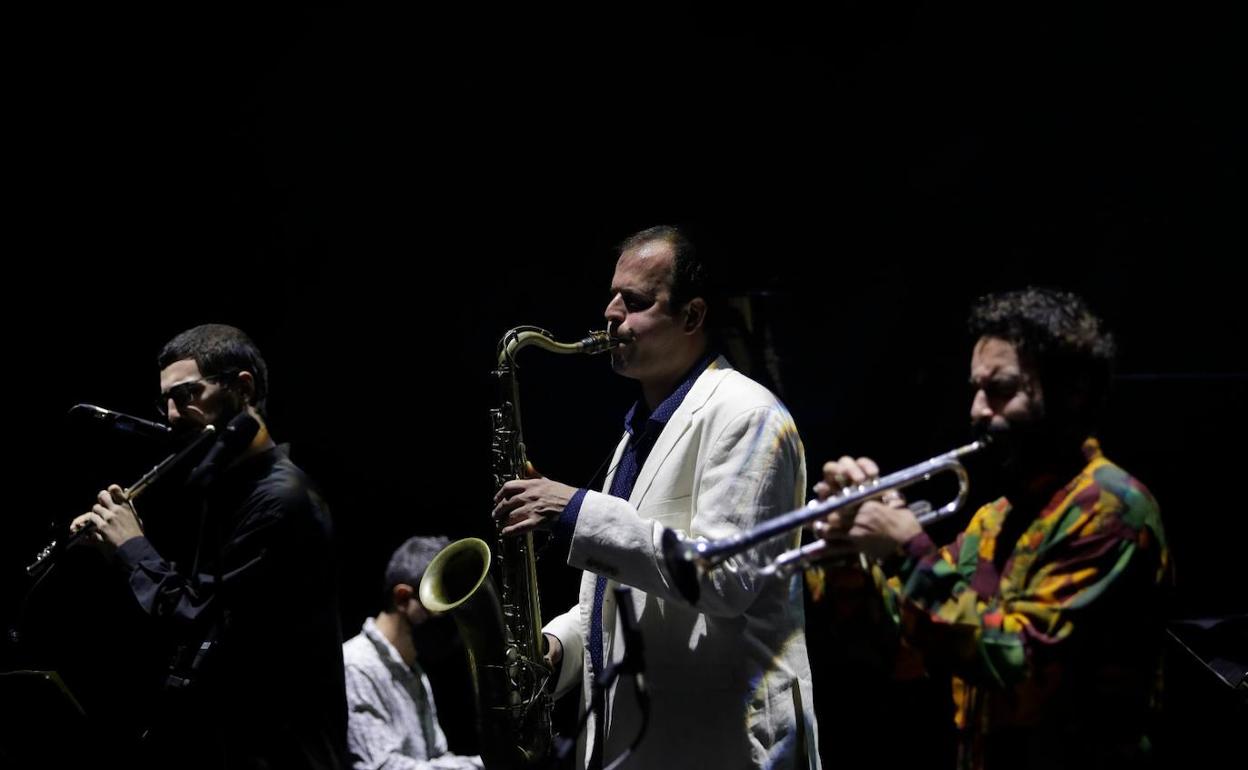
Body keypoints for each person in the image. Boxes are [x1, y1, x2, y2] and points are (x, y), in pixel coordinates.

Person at [493, 226, 820, 769]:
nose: (611, 313)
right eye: (613, 295)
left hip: (725, 747)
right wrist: (555, 651)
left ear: (692, 317)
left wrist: (575, 511)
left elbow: (727, 577)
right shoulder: (638, 434)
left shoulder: (748, 416)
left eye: (637, 302)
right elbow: (618, 596)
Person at [818, 287, 1169, 770]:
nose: (978, 409)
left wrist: (905, 547)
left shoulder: (1111, 508)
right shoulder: (997, 519)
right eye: (976, 389)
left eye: (1001, 390)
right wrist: (845, 556)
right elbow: (904, 647)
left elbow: (1018, 664)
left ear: (1071, 392)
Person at [70, 323, 348, 769]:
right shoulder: (225, 492)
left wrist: (134, 547)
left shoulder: (280, 501)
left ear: (243, 388)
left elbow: (200, 619)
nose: (172, 415)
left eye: (185, 395)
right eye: (164, 401)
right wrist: (117, 550)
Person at [342, 536, 483, 770]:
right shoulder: (356, 667)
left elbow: (433, 759)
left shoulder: (414, 672)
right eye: (442, 606)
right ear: (402, 598)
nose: (449, 619)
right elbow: (380, 766)